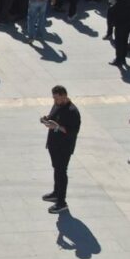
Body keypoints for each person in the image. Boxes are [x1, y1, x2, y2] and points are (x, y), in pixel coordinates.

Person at [41, 85, 81, 214]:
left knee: (61, 172)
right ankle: (56, 193)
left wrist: (57, 127)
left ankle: (61, 202)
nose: (55, 101)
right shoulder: (57, 105)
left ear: (64, 96)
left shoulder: (72, 111)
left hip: (64, 147)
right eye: (54, 98)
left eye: (57, 98)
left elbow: (72, 131)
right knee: (56, 169)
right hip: (53, 144)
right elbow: (53, 116)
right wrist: (46, 119)